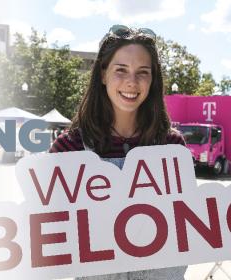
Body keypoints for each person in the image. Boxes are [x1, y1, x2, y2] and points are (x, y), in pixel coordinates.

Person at [49, 25, 187, 279]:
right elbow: (51, 234)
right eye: (120, 70)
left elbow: (186, 229)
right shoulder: (68, 149)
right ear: (103, 74)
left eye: (142, 72)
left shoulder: (172, 147)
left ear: (153, 79)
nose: (131, 82)